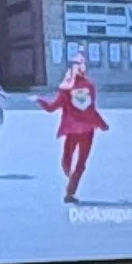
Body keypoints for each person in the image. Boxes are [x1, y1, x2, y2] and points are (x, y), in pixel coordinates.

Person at [37, 55, 109, 203]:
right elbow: (91, 109)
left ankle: (69, 176)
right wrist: (102, 123)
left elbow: (51, 108)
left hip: (72, 130)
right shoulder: (90, 87)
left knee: (66, 158)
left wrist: (39, 100)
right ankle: (71, 191)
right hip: (88, 130)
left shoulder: (66, 90)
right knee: (81, 163)